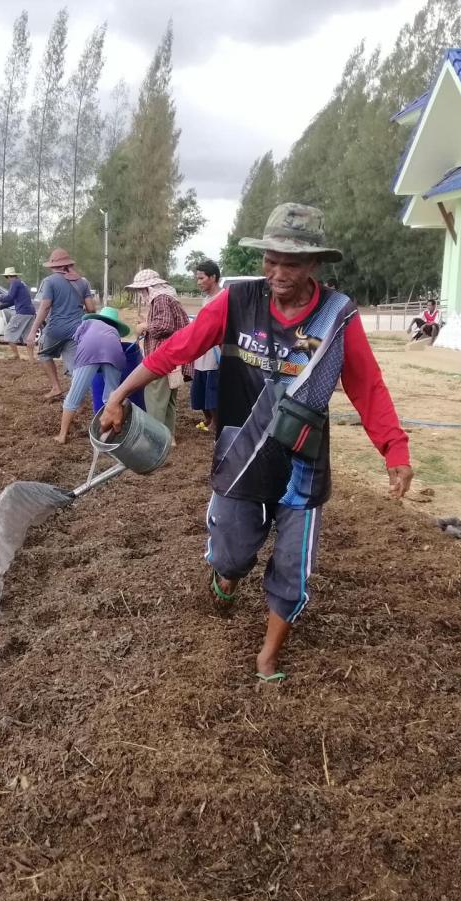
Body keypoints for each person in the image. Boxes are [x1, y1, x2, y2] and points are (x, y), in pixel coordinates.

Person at [99, 203, 412, 683]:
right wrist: (120, 393)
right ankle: (225, 578)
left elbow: (367, 386)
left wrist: (394, 450)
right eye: (272, 259)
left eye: (292, 263)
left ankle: (268, 653)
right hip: (240, 450)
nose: (279, 272)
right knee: (231, 554)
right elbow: (179, 348)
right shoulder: (236, 301)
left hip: (301, 457)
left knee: (293, 563)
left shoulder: (336, 315)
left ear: (314, 265)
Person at [127, 268, 189, 442]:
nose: (141, 294)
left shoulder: (160, 299)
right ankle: (168, 438)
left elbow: (163, 326)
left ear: (149, 288)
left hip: (162, 358)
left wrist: (144, 327)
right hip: (173, 359)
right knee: (168, 401)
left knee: (155, 398)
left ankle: (156, 440)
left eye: (141, 290)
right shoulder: (169, 298)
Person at [28, 248, 97, 401]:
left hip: (56, 328)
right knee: (74, 366)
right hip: (78, 329)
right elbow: (91, 308)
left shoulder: (50, 281)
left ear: (54, 266)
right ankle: (77, 398)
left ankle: (56, 387)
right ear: (67, 264)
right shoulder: (82, 282)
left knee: (44, 354)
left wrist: (33, 331)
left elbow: (45, 307)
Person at [56, 306, 129, 444]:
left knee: (73, 396)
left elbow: (78, 340)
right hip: (114, 355)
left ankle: (62, 435)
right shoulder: (114, 332)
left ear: (99, 317)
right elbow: (111, 351)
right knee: (112, 397)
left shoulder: (87, 324)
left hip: (88, 352)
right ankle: (109, 434)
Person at [191, 260, 222, 433]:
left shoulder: (223, 297)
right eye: (198, 278)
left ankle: (216, 423)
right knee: (200, 387)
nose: (199, 282)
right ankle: (208, 419)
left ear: (213, 277)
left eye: (202, 278)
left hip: (215, 352)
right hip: (202, 351)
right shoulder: (206, 300)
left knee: (213, 388)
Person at [0, 267, 36, 361]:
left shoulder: (14, 283)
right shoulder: (21, 283)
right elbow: (13, 301)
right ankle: (32, 359)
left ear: (9, 277)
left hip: (22, 312)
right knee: (28, 337)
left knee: (8, 332)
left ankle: (16, 355)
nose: (7, 280)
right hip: (30, 312)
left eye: (6, 278)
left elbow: (9, 297)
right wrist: (0, 307)